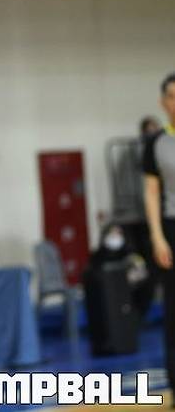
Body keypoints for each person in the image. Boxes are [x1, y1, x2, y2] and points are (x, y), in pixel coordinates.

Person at [143, 71, 175, 398]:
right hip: (171, 226)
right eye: (172, 97)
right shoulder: (155, 143)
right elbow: (152, 192)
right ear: (163, 102)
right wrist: (157, 236)